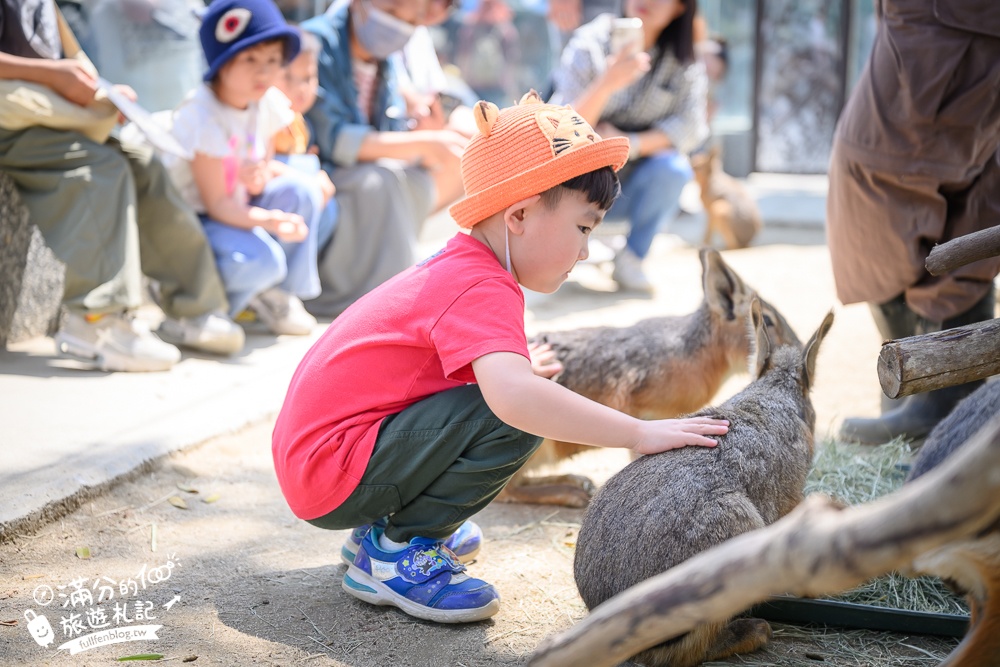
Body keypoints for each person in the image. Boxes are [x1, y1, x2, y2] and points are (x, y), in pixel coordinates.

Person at [271, 91, 730, 623]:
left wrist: (517, 372)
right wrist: (638, 432)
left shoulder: (462, 266)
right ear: (519, 215)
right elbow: (513, 400)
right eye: (583, 227)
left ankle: (385, 529)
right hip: (333, 471)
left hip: (321, 461)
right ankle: (397, 551)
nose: (585, 250)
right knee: (517, 415)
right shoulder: (483, 285)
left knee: (516, 392)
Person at [0, 0, 244, 371]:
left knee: (143, 163)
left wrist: (100, 93)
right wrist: (55, 76)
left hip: (44, 111)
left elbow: (58, 57)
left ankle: (194, 308)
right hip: (13, 118)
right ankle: (97, 320)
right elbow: (46, 69)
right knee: (100, 169)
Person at [828, 0, 1000, 445]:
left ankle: (936, 397)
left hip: (948, 22)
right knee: (974, 191)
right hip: (945, 22)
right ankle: (930, 391)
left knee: (871, 172)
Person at [163, 0, 325, 336]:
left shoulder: (263, 101)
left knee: (304, 189)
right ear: (222, 61)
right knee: (262, 261)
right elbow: (217, 205)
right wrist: (271, 220)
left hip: (236, 205)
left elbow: (262, 164)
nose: (263, 72)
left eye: (272, 60)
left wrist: (260, 175)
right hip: (197, 222)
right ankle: (198, 308)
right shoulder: (203, 115)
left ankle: (276, 296)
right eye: (249, 59)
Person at [300, 0, 469, 317]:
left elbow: (386, 129)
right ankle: (382, 301)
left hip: (363, 173)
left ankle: (391, 289)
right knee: (382, 181)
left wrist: (419, 132)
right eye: (391, 12)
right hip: (318, 172)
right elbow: (333, 138)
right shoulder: (316, 43)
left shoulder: (385, 61)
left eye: (410, 21)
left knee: (418, 178)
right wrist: (420, 143)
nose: (397, 26)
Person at [548, 0, 709, 292]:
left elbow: (692, 127)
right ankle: (556, 255)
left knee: (674, 168)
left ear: (680, 8)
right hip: (575, 183)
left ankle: (632, 258)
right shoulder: (591, 42)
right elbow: (559, 128)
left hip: (634, 187)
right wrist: (607, 83)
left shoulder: (683, 60)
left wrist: (627, 143)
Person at [272, 28, 339, 254]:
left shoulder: (302, 123)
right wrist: (307, 175)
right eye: (288, 77)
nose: (301, 88)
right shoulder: (266, 122)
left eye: (308, 78)